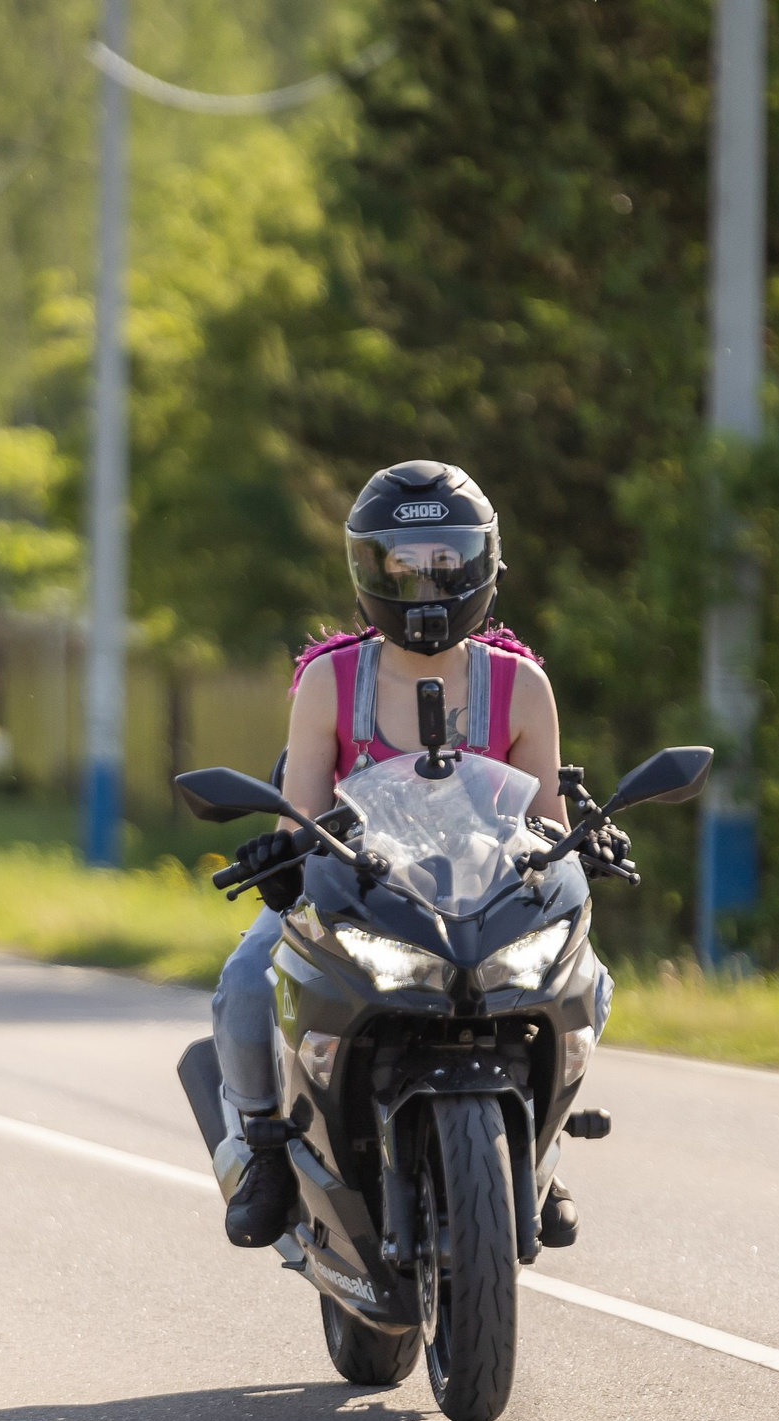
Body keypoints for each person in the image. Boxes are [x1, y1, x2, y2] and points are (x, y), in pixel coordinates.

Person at [211, 460, 583, 1251]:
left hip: (487, 905)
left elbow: (548, 823)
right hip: (360, 895)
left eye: (445, 560)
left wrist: (588, 840)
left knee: (589, 978)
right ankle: (264, 1148)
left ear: (483, 562)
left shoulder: (522, 685)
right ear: (365, 568)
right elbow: (301, 808)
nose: (424, 583)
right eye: (401, 564)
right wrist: (281, 855)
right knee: (247, 978)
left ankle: (541, 1154)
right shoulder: (328, 680)